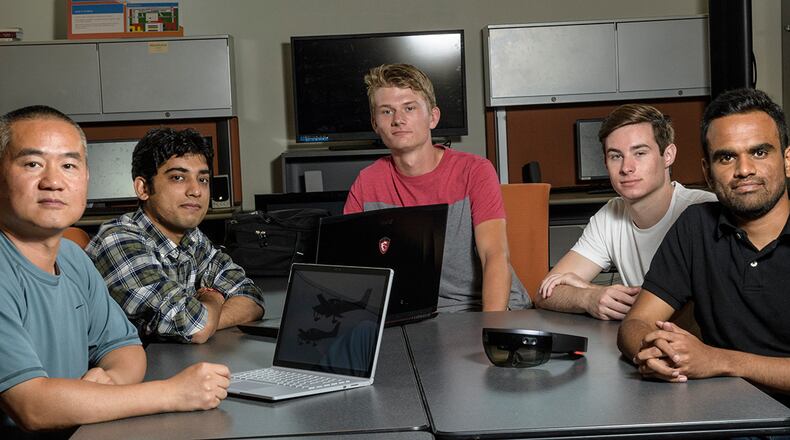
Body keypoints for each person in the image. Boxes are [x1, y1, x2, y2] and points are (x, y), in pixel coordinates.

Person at [0, 106, 230, 435]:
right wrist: (172, 393)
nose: (53, 182)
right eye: (33, 164)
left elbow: (124, 347)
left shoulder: (72, 258)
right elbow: (32, 406)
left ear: (85, 179)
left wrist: (110, 381)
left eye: (68, 165)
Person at [618, 88, 790, 407]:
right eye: (726, 157)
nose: (744, 170)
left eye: (760, 152)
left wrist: (718, 361)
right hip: (719, 414)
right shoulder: (696, 225)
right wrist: (656, 351)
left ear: (788, 160)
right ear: (707, 173)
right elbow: (635, 323)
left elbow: (714, 361)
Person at [344, 63, 529, 312]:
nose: (398, 120)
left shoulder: (475, 171)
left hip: (482, 308)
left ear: (433, 117)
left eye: (409, 108)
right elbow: (353, 268)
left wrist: (491, 329)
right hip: (416, 315)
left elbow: (494, 255)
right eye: (386, 112)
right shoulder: (367, 183)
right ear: (375, 124)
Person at [536, 104, 715, 320]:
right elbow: (545, 293)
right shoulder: (610, 215)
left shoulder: (704, 211)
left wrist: (584, 286)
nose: (626, 168)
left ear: (668, 155)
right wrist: (590, 297)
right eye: (615, 156)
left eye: (639, 153)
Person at [86, 128, 265, 344]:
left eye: (203, 180)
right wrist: (214, 295)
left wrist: (208, 317)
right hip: (128, 374)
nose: (196, 191)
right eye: (178, 178)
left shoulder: (193, 238)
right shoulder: (118, 240)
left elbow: (251, 296)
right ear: (143, 188)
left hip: (177, 367)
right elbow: (195, 327)